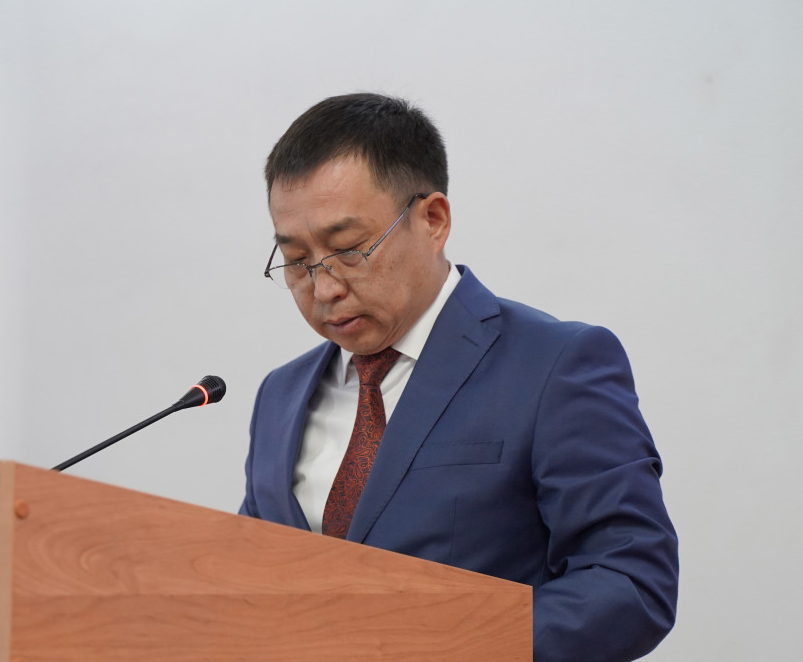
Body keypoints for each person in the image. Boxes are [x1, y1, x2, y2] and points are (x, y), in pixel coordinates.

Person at [239, 93, 678, 662]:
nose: (324, 289)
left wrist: (445, 646)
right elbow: (256, 576)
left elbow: (630, 580)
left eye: (347, 250)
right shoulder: (280, 395)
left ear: (433, 220)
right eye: (297, 261)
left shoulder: (553, 365)